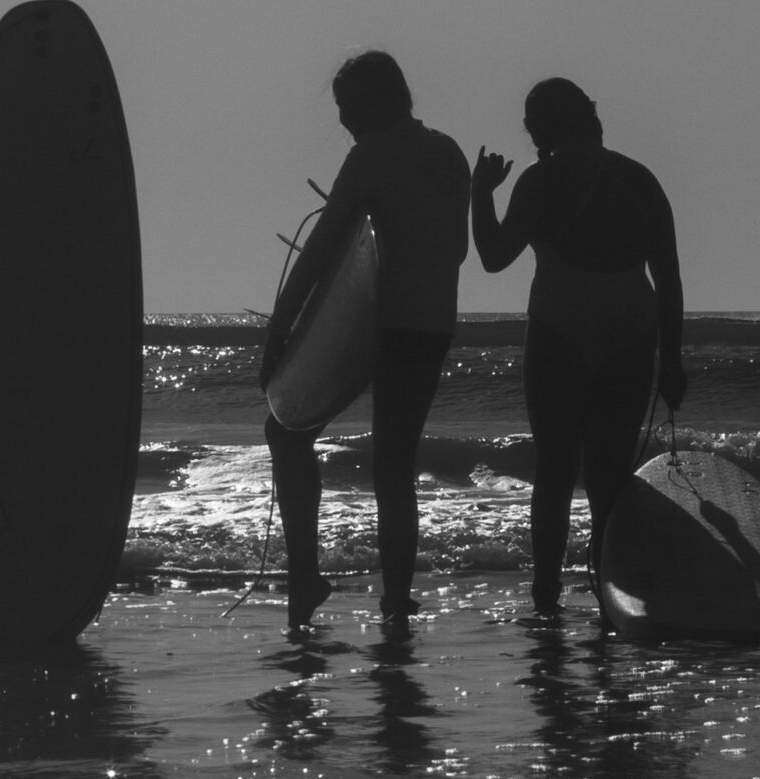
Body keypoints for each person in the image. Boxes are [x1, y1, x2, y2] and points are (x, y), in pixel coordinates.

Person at [260, 50, 469, 626]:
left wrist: (280, 330)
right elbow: (456, 250)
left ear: (381, 98)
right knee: (395, 467)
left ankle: (305, 577)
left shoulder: (370, 156)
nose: (345, 119)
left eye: (350, 106)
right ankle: (397, 603)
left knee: (285, 429)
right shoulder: (447, 152)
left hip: (369, 326)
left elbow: (322, 250)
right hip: (432, 326)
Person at [472, 78, 685, 613]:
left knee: (554, 471)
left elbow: (494, 257)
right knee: (609, 476)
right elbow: (669, 279)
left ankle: (546, 600)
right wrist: (674, 359)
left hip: (559, 331)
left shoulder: (540, 182)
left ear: (542, 130)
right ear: (589, 116)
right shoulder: (641, 181)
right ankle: (612, 598)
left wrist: (479, 193)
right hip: (630, 334)